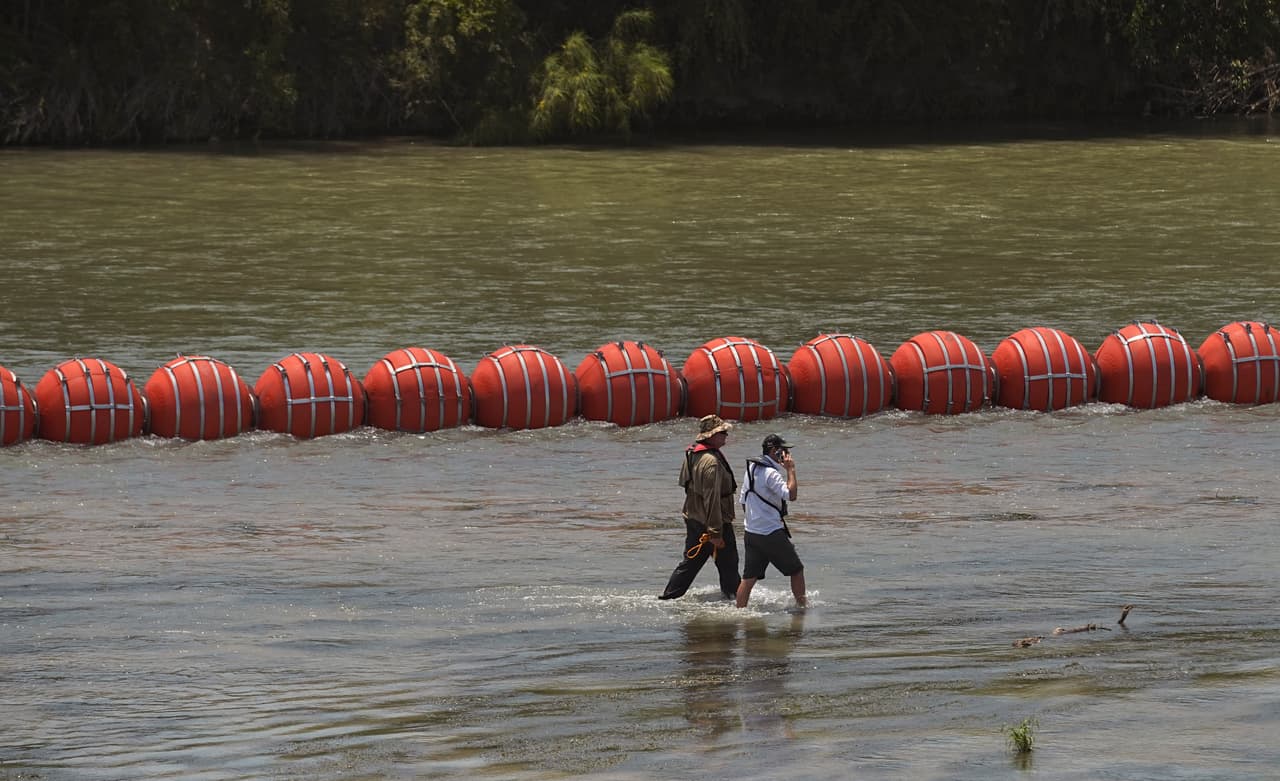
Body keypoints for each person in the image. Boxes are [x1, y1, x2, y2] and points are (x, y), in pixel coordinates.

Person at [659, 414, 742, 601]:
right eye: (722, 432)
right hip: (713, 520)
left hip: (694, 516)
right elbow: (711, 499)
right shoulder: (711, 462)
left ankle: (670, 597)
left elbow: (684, 484)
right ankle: (735, 599)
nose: (726, 436)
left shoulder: (692, 454)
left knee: (692, 561)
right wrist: (715, 532)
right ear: (711, 436)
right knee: (728, 562)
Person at [736, 433, 806, 609]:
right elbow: (791, 495)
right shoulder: (771, 473)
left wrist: (756, 519)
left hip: (751, 532)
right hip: (770, 533)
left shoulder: (751, 469)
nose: (787, 455)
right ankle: (803, 609)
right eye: (785, 451)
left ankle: (740, 612)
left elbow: (743, 501)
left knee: (749, 577)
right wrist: (790, 469)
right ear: (775, 451)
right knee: (796, 570)